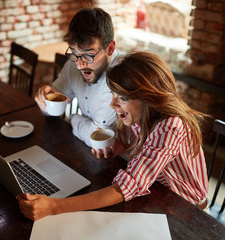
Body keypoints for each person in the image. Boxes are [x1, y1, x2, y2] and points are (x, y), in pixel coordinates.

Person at [17, 51, 209, 221]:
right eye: (114, 95)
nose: (113, 105)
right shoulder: (142, 116)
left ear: (150, 98)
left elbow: (126, 186)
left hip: (188, 209)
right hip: (160, 189)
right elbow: (152, 156)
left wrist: (54, 207)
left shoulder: (170, 127)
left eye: (123, 98)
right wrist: (124, 148)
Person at [35, 7, 120, 147]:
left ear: (110, 49)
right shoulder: (73, 64)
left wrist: (73, 118)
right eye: (74, 53)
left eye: (88, 55)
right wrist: (44, 100)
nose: (80, 65)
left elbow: (97, 139)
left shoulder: (119, 79)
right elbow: (52, 109)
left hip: (122, 159)